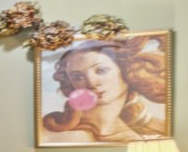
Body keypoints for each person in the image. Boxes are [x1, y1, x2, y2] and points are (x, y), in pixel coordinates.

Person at [39, 37, 168, 144]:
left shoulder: (132, 136)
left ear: (125, 71)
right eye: (78, 77)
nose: (91, 83)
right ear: (72, 84)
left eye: (101, 71)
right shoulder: (63, 134)